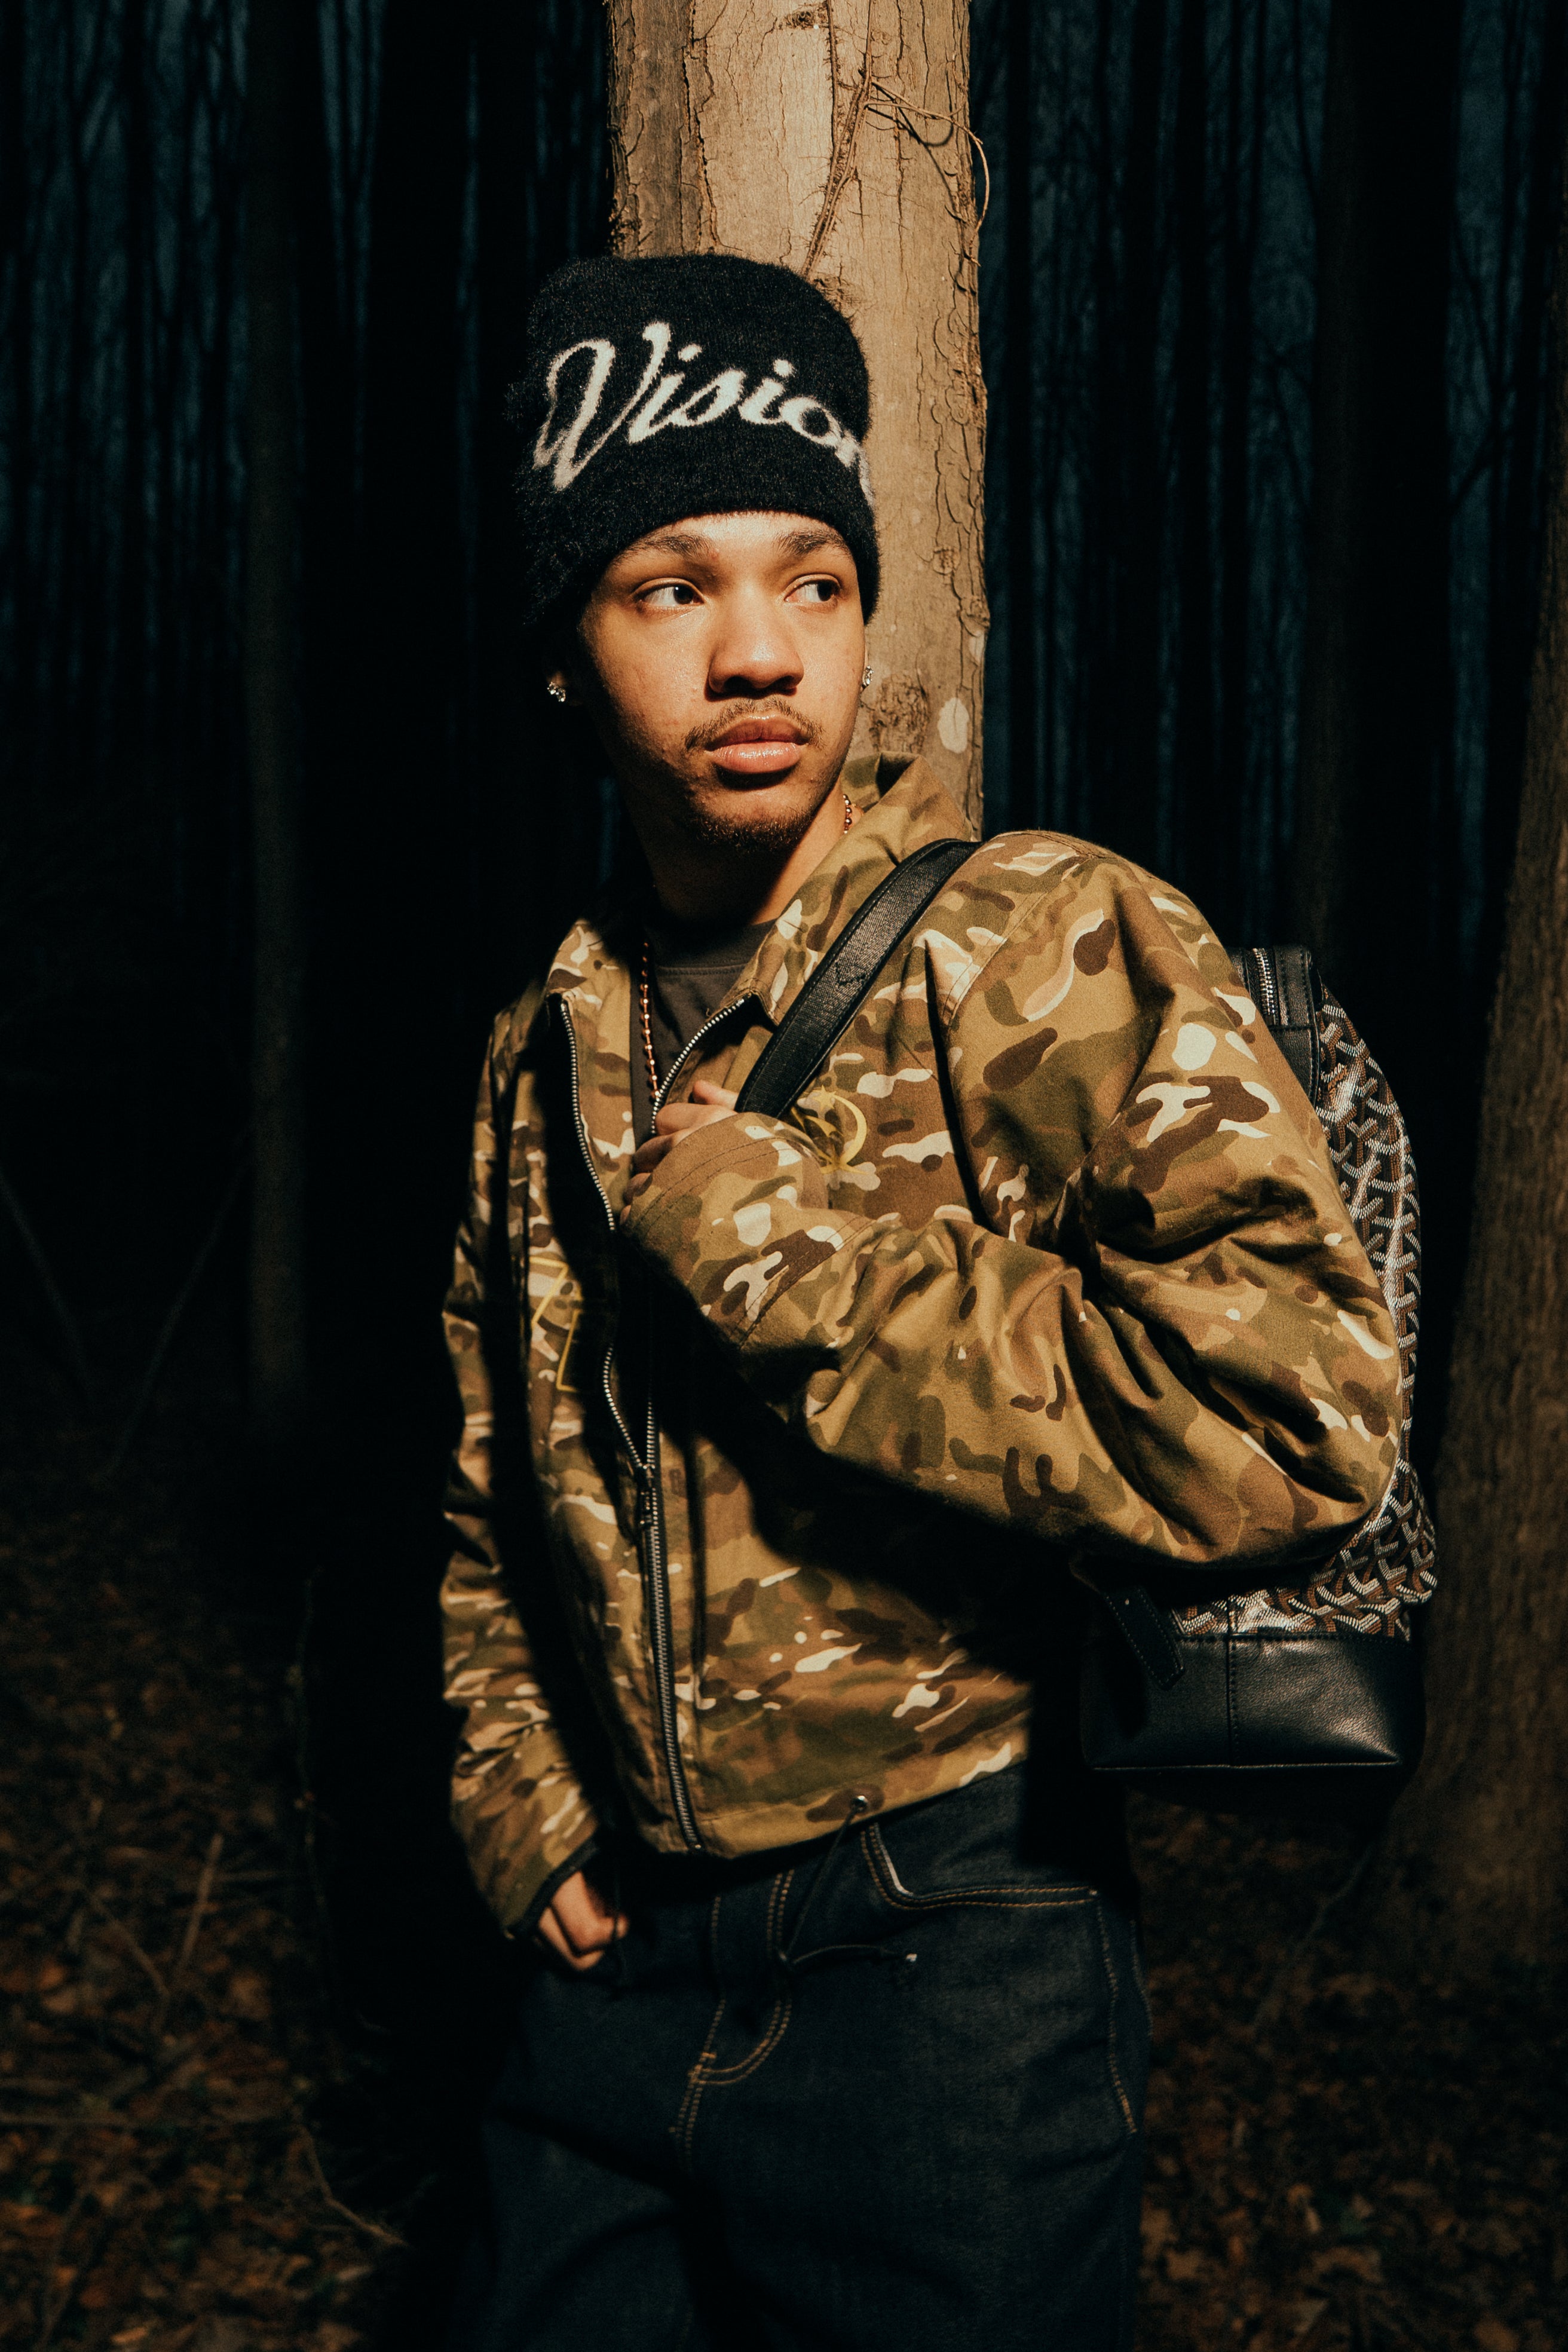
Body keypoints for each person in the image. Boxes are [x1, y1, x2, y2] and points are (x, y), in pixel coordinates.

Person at [439, 253, 1399, 2352]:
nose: (760, 648)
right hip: (613, 1976)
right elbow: (491, 1489)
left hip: (951, 1950)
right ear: (565, 655)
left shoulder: (1040, 941)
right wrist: (520, 1795)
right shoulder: (544, 1045)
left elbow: (1299, 1415)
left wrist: (791, 1261)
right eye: (670, 586)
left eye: (814, 578)